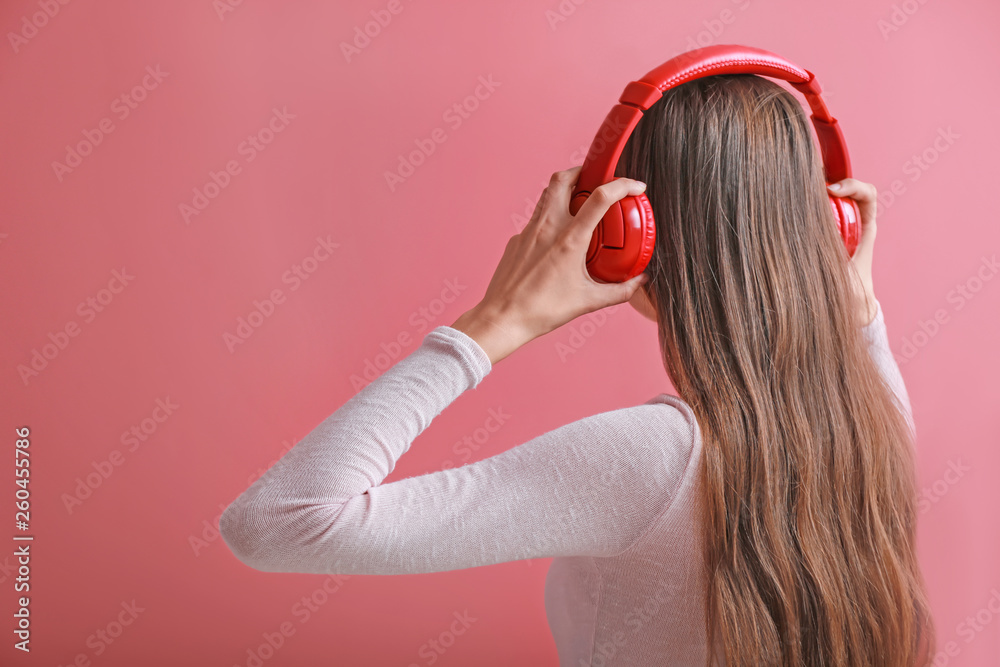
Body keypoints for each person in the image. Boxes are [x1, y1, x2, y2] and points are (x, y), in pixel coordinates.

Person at [219, 73, 935, 666]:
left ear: (634, 243)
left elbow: (281, 519)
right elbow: (860, 342)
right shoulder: (875, 420)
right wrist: (859, 301)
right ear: (829, 230)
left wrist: (500, 318)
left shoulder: (654, 460)